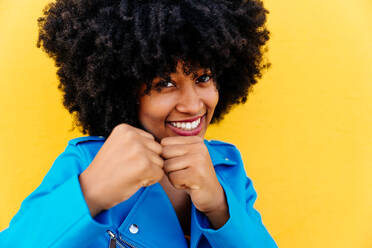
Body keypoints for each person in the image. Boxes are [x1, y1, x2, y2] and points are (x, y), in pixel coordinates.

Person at [0, 0, 277, 247]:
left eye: (203, 78)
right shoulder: (87, 162)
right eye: (165, 84)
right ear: (124, 87)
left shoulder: (227, 168)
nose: (193, 105)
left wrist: (218, 205)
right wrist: (93, 192)